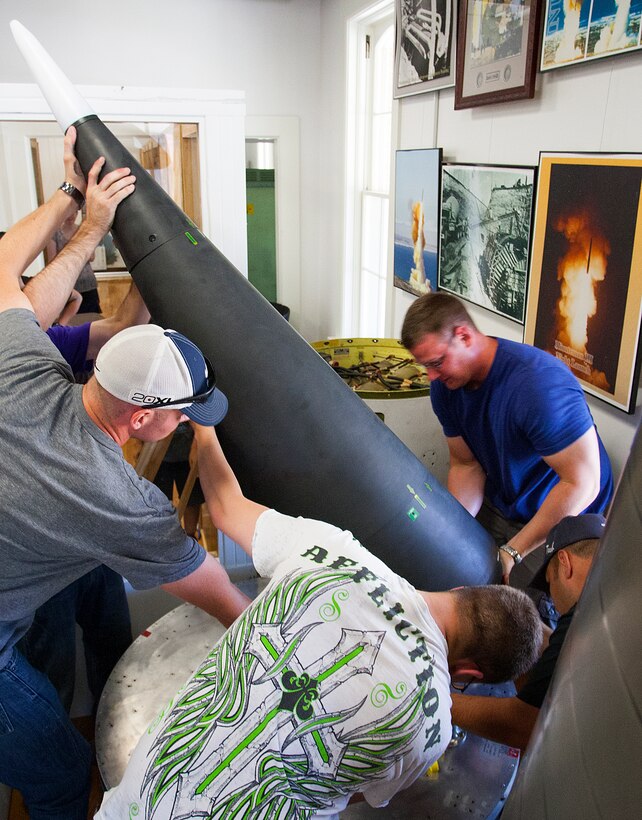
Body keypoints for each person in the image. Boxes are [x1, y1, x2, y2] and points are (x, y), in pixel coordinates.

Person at [95, 422, 543, 819]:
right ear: (468, 674)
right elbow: (351, 793)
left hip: (136, 802)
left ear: (462, 591)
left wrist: (207, 432)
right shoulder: (429, 728)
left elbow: (228, 506)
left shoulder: (331, 547)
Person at [0, 128, 250, 820]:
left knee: (87, 589)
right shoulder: (116, 499)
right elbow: (224, 599)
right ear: (142, 420)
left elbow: (3, 267)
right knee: (60, 771)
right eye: (182, 414)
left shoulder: (24, 363)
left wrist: (78, 206)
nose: (189, 421)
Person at [400, 292, 613, 584]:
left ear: (463, 336)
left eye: (437, 362)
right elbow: (466, 465)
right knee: (456, 572)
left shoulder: (537, 386)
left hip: (569, 510)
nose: (431, 376)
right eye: (425, 366)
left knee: (522, 605)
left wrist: (514, 551)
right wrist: (446, 531)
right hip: (507, 498)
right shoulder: (446, 386)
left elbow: (583, 483)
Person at [450, 513, 605, 751]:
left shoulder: (581, 614)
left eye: (550, 582)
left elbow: (525, 724)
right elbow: (560, 649)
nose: (552, 598)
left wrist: (438, 700)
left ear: (565, 563)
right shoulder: (606, 601)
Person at [46, 210, 102, 313]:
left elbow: (91, 256)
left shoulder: (83, 231)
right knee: (71, 320)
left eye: (74, 212)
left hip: (88, 283)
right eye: (68, 212)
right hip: (68, 285)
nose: (71, 215)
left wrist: (67, 253)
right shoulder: (55, 234)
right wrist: (79, 252)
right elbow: (52, 261)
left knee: (92, 317)